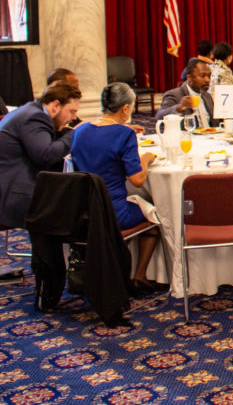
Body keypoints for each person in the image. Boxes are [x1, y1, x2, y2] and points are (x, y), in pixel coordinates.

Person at [69, 83, 163, 295]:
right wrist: (146, 159)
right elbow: (138, 180)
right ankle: (139, 276)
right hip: (113, 212)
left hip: (83, 210)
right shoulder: (123, 135)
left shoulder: (81, 130)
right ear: (125, 109)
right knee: (156, 217)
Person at [0, 81, 81, 228]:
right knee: (73, 208)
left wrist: (67, 133)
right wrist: (77, 133)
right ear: (56, 105)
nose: (74, 117)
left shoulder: (31, 111)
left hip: (11, 187)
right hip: (11, 196)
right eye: (72, 111)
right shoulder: (35, 117)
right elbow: (45, 155)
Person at [155, 59, 214, 128]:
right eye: (202, 76)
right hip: (188, 137)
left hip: (211, 136)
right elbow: (159, 117)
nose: (207, 80)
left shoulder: (207, 96)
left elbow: (216, 123)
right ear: (189, 77)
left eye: (209, 76)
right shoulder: (174, 95)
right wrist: (179, 107)